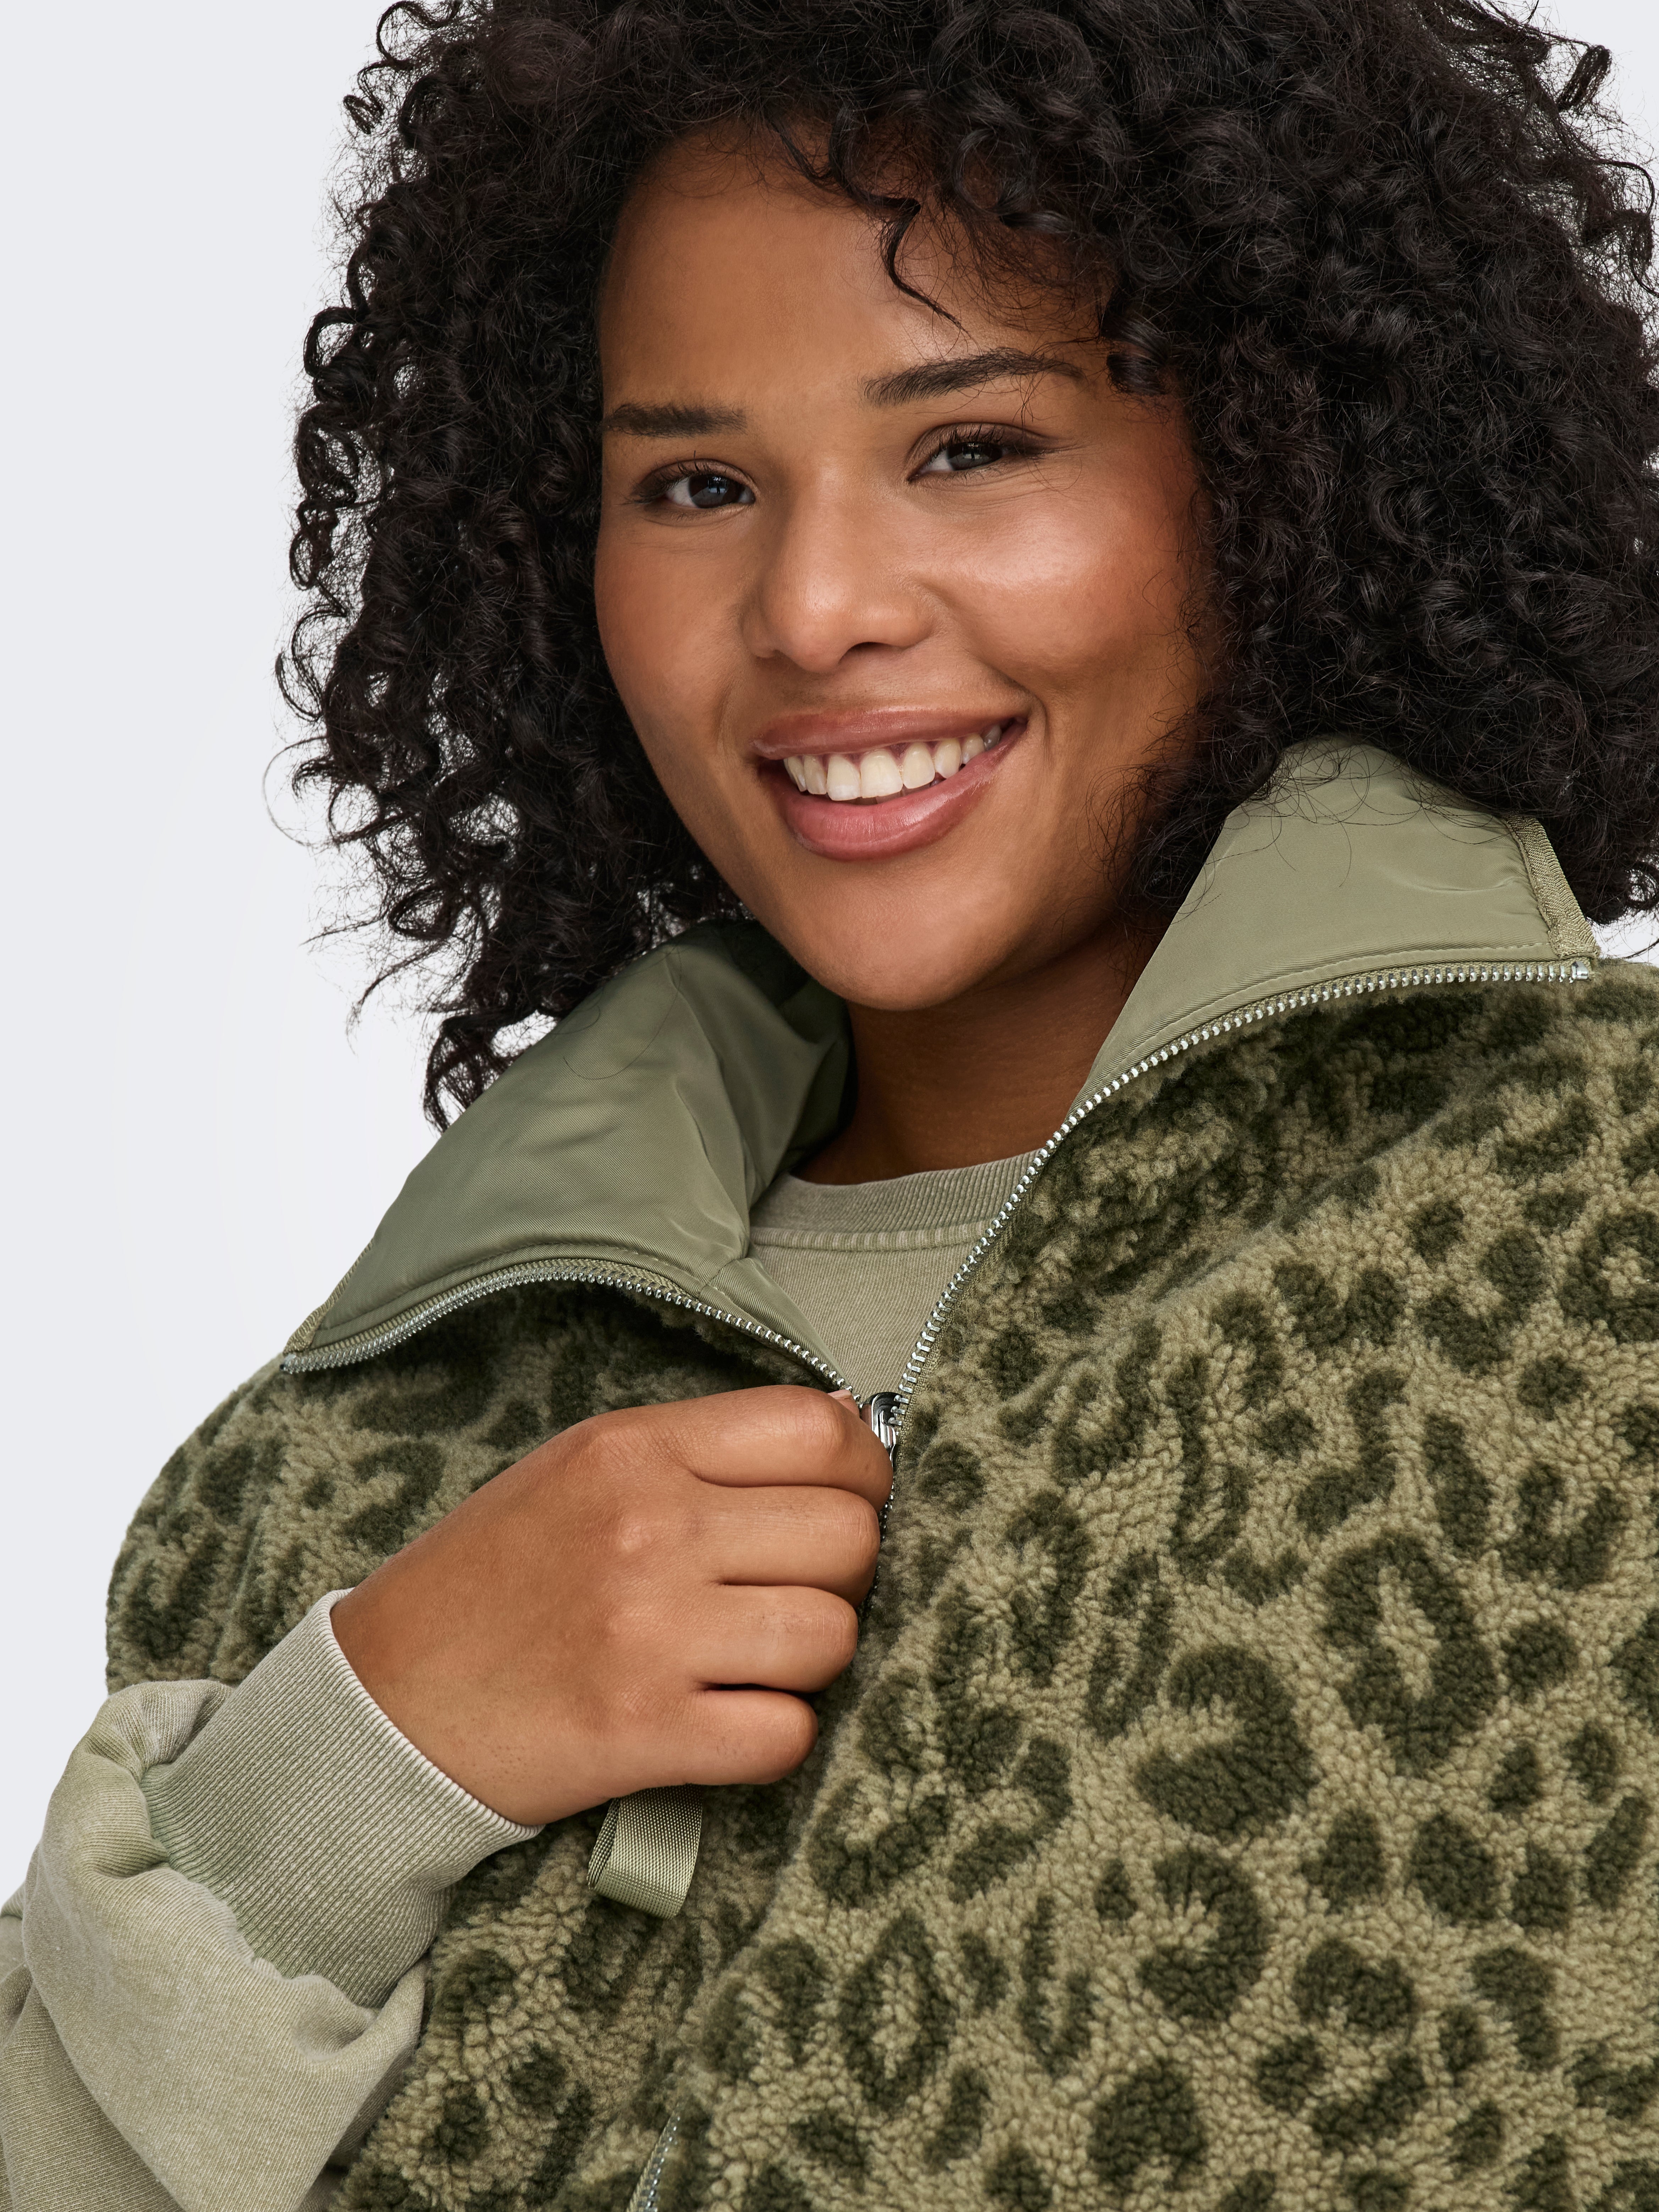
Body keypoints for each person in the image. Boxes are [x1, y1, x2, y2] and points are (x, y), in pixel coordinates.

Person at [6, 0, 1659, 2205]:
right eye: (694, 485)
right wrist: (355, 1761)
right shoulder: (347, 1456)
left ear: (1282, 469)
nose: (809, 610)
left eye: (967, 446)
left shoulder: (1602, 1245)